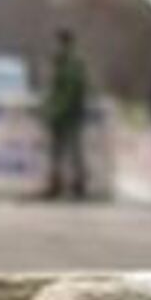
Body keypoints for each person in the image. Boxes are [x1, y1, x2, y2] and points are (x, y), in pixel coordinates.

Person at [41, 29, 91, 200]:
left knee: (72, 151)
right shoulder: (62, 61)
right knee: (59, 152)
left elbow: (69, 93)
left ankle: (77, 185)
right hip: (63, 114)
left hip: (69, 115)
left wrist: (54, 111)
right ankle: (58, 184)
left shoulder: (71, 63)